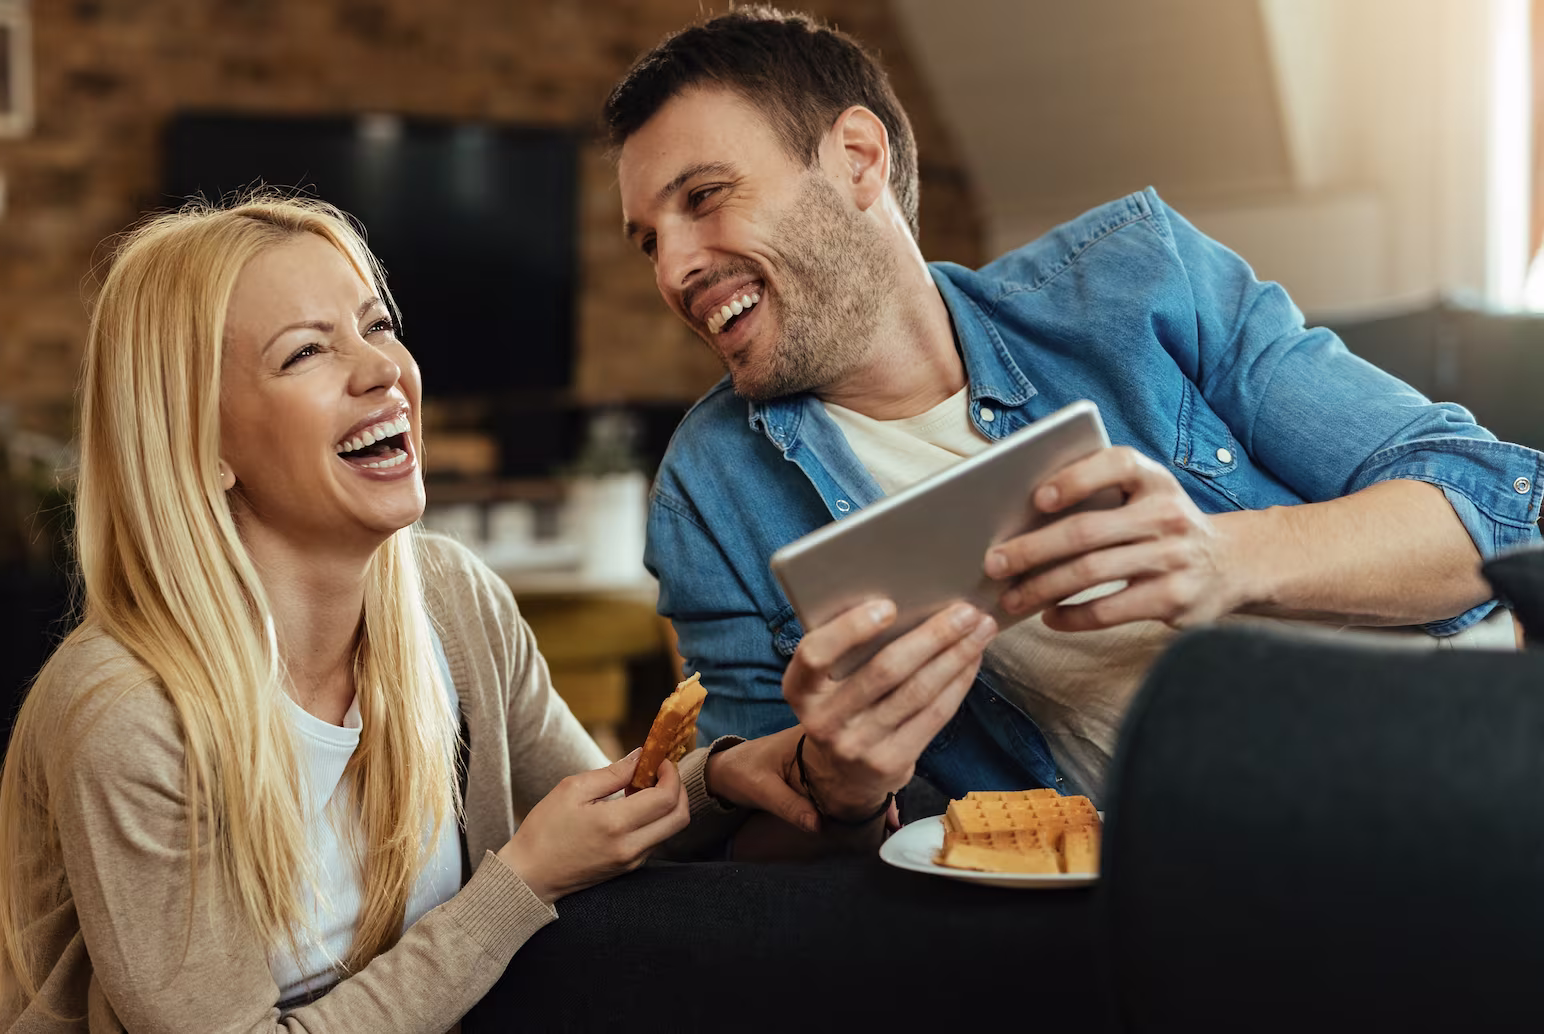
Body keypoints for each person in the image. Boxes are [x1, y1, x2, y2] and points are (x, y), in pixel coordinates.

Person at [603, 6, 1543, 810]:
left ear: (856, 159)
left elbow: (1491, 507)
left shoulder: (1139, 282)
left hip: (1474, 755)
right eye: (649, 240)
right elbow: (757, 851)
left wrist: (1225, 559)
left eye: (706, 197)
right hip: (1206, 886)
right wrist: (838, 789)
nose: (675, 269)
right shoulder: (710, 493)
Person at [0, 195, 833, 1033]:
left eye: (377, 326)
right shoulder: (130, 714)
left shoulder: (455, 602)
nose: (386, 370)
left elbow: (602, 827)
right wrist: (517, 885)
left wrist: (713, 780)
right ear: (202, 441)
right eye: (305, 352)